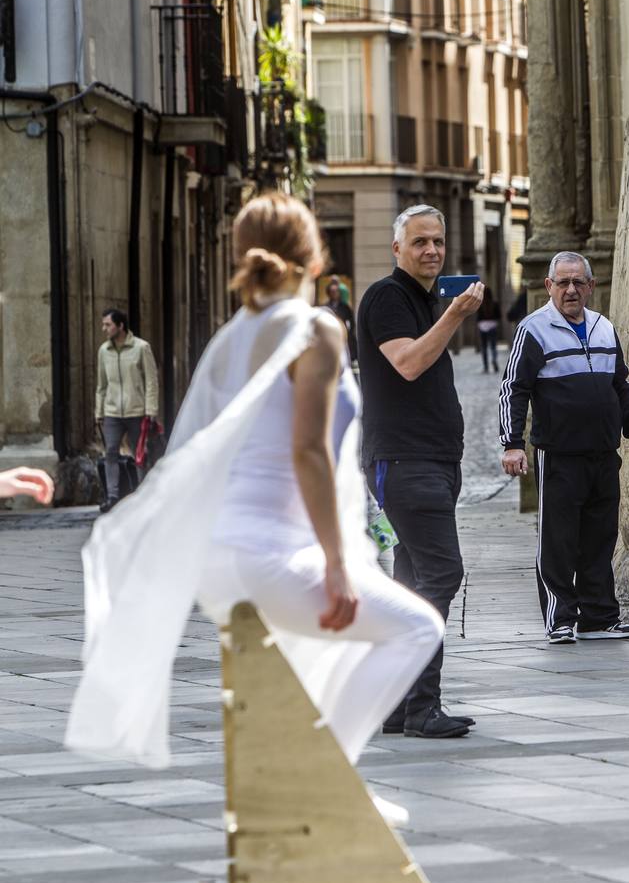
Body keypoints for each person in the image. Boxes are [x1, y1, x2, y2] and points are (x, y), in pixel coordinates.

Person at [66, 195, 445, 826]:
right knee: (415, 628)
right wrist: (335, 561)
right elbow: (309, 454)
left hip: (221, 555)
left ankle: (308, 787)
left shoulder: (233, 335)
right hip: (271, 549)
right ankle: (320, 778)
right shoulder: (315, 328)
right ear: (312, 251)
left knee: (319, 662)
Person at [356, 204, 483, 738]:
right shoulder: (388, 297)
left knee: (410, 582)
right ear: (397, 249)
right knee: (441, 574)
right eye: (419, 243)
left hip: (430, 461)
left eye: (438, 241)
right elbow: (407, 362)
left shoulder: (427, 299)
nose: (431, 250)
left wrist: (444, 311)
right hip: (406, 462)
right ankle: (422, 708)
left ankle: (394, 703)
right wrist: (454, 316)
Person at [499, 252, 629, 644]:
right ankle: (560, 619)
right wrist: (512, 443)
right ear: (549, 286)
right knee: (558, 540)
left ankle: (599, 617)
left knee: (600, 538)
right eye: (562, 283)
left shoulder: (604, 327)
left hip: (603, 452)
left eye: (578, 283)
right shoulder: (533, 329)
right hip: (559, 454)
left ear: (591, 286)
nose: (571, 290)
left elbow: (621, 387)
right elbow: (514, 389)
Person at [95, 307, 159, 512]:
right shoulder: (104, 351)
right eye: (104, 324)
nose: (104, 328)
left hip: (137, 411)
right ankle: (113, 496)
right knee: (111, 452)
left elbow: (151, 381)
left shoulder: (141, 348)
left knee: (140, 454)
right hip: (112, 412)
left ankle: (143, 493)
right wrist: (99, 411)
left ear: (120, 326)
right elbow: (101, 385)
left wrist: (151, 409)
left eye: (108, 324)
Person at [323, 276, 358, 362]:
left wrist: (348, 332)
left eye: (336, 292)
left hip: (344, 336)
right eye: (332, 292)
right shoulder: (326, 307)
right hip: (331, 335)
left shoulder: (345, 307)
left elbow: (351, 322)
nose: (334, 294)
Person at [478, 286, 500, 374]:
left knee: (484, 347)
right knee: (493, 346)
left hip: (482, 326)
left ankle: (486, 366)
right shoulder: (495, 303)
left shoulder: (480, 303)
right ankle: (494, 360)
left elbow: (478, 317)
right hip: (492, 326)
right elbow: (499, 316)